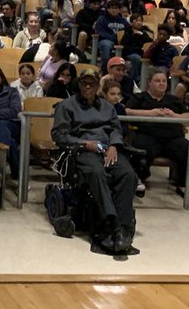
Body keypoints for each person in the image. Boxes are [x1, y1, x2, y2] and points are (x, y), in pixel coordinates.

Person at [51, 69, 138, 255]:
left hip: (107, 148)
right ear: (79, 84)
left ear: (98, 85)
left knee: (127, 173)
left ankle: (124, 228)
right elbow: (59, 135)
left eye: (92, 83)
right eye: (84, 83)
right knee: (97, 172)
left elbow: (116, 129)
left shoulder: (107, 107)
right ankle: (109, 224)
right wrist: (85, 143)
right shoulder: (67, 106)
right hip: (83, 150)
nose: (88, 87)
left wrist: (114, 146)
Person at [125, 68, 189, 198]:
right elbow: (128, 111)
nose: (161, 83)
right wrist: (150, 113)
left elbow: (188, 117)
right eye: (157, 81)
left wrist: (173, 115)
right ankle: (139, 179)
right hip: (149, 135)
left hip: (172, 138)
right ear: (149, 83)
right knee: (139, 149)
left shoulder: (173, 99)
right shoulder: (139, 97)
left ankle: (182, 184)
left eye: (164, 81)